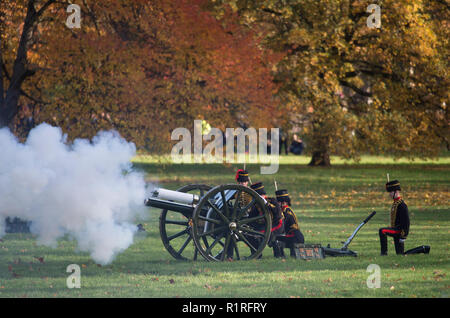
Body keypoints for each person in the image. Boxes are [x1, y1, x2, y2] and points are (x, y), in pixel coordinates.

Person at [249, 182, 285, 258]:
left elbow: (278, 214)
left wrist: (268, 205)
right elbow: (251, 219)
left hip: (276, 225)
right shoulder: (255, 205)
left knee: (259, 234)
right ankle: (257, 254)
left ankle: (278, 254)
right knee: (250, 234)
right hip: (264, 226)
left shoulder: (272, 201)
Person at [379, 180, 410, 255]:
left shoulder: (402, 205)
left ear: (396, 192)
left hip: (399, 231)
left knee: (382, 231)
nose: (389, 194)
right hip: (395, 229)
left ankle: (384, 253)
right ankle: (423, 249)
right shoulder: (395, 203)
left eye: (391, 192)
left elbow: (406, 222)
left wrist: (403, 236)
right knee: (400, 254)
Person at [275, 189, 305, 257]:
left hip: (295, 237)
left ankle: (280, 255)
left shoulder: (286, 211)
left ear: (283, 202)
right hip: (295, 236)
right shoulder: (286, 210)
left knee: (276, 239)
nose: (278, 204)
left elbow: (281, 225)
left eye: (278, 202)